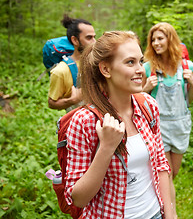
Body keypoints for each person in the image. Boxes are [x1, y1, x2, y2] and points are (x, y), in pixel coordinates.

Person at [64, 31, 173, 218]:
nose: (140, 69)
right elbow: (78, 199)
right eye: (130, 62)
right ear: (106, 69)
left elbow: (161, 166)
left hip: (155, 213)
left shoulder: (148, 105)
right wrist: (106, 148)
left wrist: (171, 215)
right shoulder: (84, 121)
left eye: (140, 61)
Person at [142, 22, 193, 217]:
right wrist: (145, 88)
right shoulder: (147, 68)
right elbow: (138, 99)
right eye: (153, 40)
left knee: (172, 174)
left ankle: (158, 201)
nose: (156, 43)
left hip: (181, 124)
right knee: (165, 174)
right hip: (159, 126)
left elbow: (189, 99)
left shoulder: (186, 66)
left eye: (160, 38)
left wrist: (192, 84)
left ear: (170, 39)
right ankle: (169, 213)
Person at [48, 14, 96, 111]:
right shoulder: (60, 71)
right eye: (89, 38)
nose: (94, 42)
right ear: (75, 40)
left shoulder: (98, 63)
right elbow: (51, 103)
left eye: (94, 37)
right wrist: (72, 101)